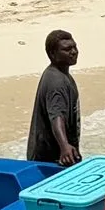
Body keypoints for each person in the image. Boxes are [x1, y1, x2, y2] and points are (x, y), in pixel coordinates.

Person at [26, 29, 81, 166]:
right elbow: (56, 116)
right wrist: (64, 147)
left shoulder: (61, 75)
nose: (73, 51)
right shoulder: (56, 81)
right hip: (50, 160)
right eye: (67, 49)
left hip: (57, 156)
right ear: (52, 54)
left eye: (74, 47)